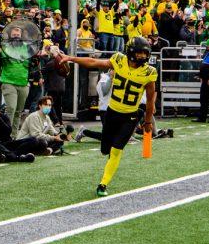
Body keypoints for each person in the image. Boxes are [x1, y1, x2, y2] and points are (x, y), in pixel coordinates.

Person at [52, 35, 157, 197]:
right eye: (140, 53)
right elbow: (94, 62)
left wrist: (148, 121)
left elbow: (151, 99)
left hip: (130, 116)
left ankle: (103, 184)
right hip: (112, 113)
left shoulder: (150, 72)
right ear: (130, 52)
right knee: (105, 150)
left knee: (116, 151)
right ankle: (107, 156)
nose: (143, 56)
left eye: (145, 54)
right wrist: (71, 58)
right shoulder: (118, 60)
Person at [0, 98, 39, 162]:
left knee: (33, 140)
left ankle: (8, 156)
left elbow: (8, 131)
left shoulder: (3, 117)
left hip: (6, 144)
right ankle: (15, 157)